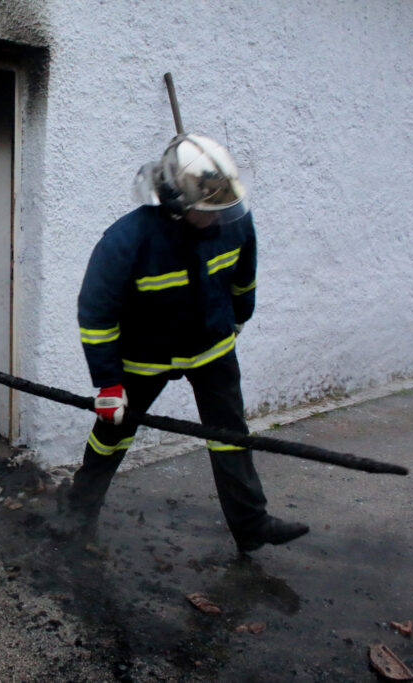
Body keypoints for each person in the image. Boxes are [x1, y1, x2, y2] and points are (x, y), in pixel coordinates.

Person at [62, 133, 308, 554]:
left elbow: (243, 278)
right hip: (144, 357)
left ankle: (252, 526)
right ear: (174, 201)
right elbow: (96, 315)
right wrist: (107, 385)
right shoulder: (127, 240)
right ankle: (76, 518)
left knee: (231, 435)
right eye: (204, 209)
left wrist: (238, 320)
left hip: (211, 347)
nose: (215, 217)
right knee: (112, 435)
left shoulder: (233, 220)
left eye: (221, 205)